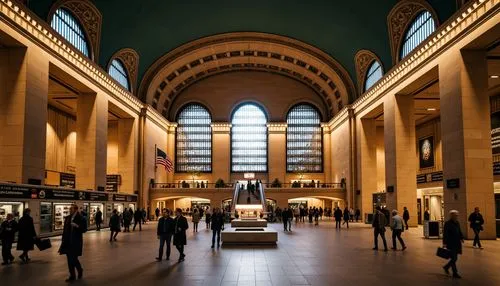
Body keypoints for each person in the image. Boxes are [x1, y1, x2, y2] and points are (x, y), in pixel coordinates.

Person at [59, 204, 85, 281]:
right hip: (67, 242)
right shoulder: (67, 218)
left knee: (73, 258)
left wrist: (77, 226)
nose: (70, 210)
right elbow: (65, 230)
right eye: (70, 209)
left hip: (75, 242)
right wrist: (63, 240)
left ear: (76, 210)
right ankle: (72, 275)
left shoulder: (81, 218)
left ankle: (79, 269)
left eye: (71, 209)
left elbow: (84, 229)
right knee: (69, 259)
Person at [443, 210, 464, 279]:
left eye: (457, 215)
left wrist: (461, 238)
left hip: (457, 243)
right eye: (455, 215)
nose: (456, 217)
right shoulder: (447, 223)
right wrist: (444, 243)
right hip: (451, 243)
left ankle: (446, 267)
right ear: (451, 216)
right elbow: (445, 234)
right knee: (454, 258)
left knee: (454, 258)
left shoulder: (457, 223)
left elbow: (459, 231)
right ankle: (455, 273)